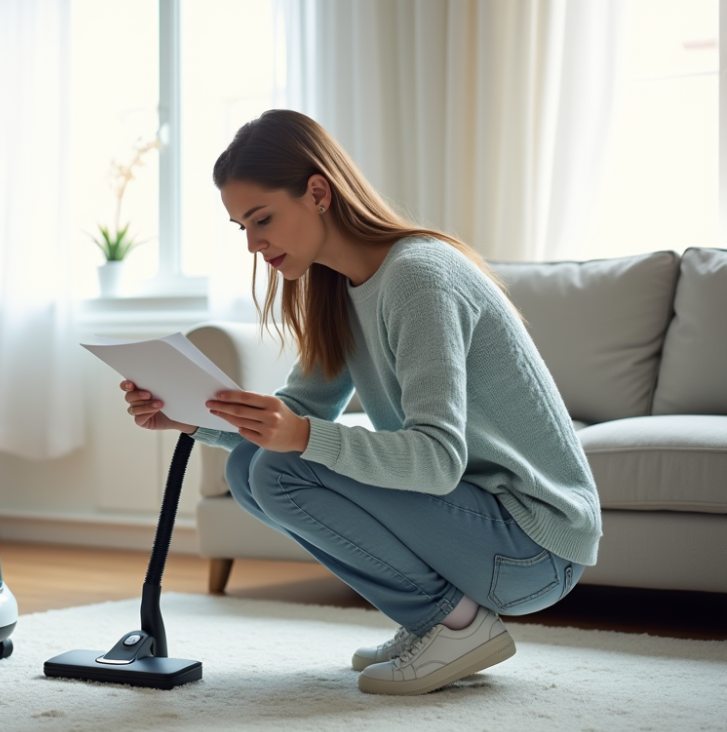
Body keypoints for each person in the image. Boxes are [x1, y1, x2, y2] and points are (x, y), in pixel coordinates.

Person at [120, 109, 600, 696]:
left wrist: (298, 435)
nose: (252, 244)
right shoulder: (339, 292)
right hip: (483, 530)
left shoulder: (418, 277)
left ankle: (456, 624)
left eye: (262, 218)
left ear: (318, 192)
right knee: (250, 467)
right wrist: (191, 420)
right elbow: (298, 414)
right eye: (240, 227)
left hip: (533, 548)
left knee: (281, 466)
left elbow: (436, 459)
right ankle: (434, 619)